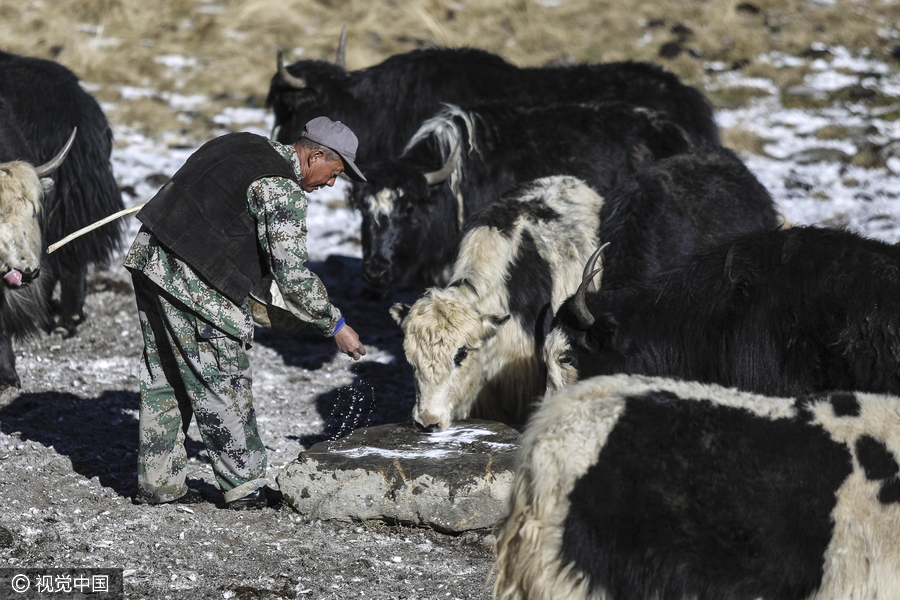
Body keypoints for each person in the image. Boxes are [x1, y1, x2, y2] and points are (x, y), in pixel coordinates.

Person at [124, 117, 367, 509]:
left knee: (165, 374)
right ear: (316, 155)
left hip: (150, 257)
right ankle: (244, 486)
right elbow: (293, 277)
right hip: (195, 277)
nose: (330, 184)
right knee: (223, 377)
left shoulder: (241, 143)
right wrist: (335, 324)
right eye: (334, 173)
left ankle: (159, 484)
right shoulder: (281, 188)